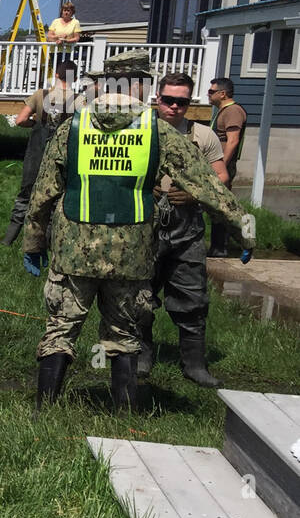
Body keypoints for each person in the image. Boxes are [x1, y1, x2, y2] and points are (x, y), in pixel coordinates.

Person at [23, 50, 254, 412]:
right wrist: (244, 230)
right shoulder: (156, 130)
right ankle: (124, 414)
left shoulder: (73, 127)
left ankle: (43, 410)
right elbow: (207, 186)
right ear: (144, 86)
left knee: (61, 329)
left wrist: (33, 241)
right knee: (123, 333)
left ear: (102, 84)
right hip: (130, 257)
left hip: (72, 254)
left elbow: (42, 193)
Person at [139, 72, 230, 386]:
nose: (174, 107)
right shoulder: (139, 129)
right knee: (140, 295)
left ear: (190, 102)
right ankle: (141, 355)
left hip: (186, 228)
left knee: (193, 299)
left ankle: (194, 365)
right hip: (144, 226)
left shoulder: (202, 135)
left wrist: (196, 192)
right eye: (168, 100)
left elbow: (221, 175)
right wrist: (140, 187)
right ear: (157, 99)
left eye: (182, 101)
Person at [2, 60, 79, 246]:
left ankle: (9, 238)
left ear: (57, 75)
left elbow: (20, 120)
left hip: (36, 154)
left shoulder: (40, 95)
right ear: (74, 78)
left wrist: (35, 123)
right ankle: (49, 242)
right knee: (55, 199)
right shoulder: (78, 100)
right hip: (62, 158)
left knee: (25, 195)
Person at [208, 77, 248, 257]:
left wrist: (221, 167)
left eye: (211, 92)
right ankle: (217, 246)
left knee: (221, 206)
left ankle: (223, 247)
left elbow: (232, 141)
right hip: (217, 165)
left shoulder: (233, 111)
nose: (208, 95)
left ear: (222, 94)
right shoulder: (223, 111)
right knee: (216, 206)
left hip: (224, 166)